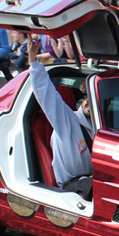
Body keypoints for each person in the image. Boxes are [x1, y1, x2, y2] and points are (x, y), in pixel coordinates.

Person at [25, 36, 94, 197]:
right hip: (73, 187)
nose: (88, 102)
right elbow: (47, 96)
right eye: (86, 98)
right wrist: (34, 61)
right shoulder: (68, 121)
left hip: (95, 182)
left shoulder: (103, 127)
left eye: (93, 99)